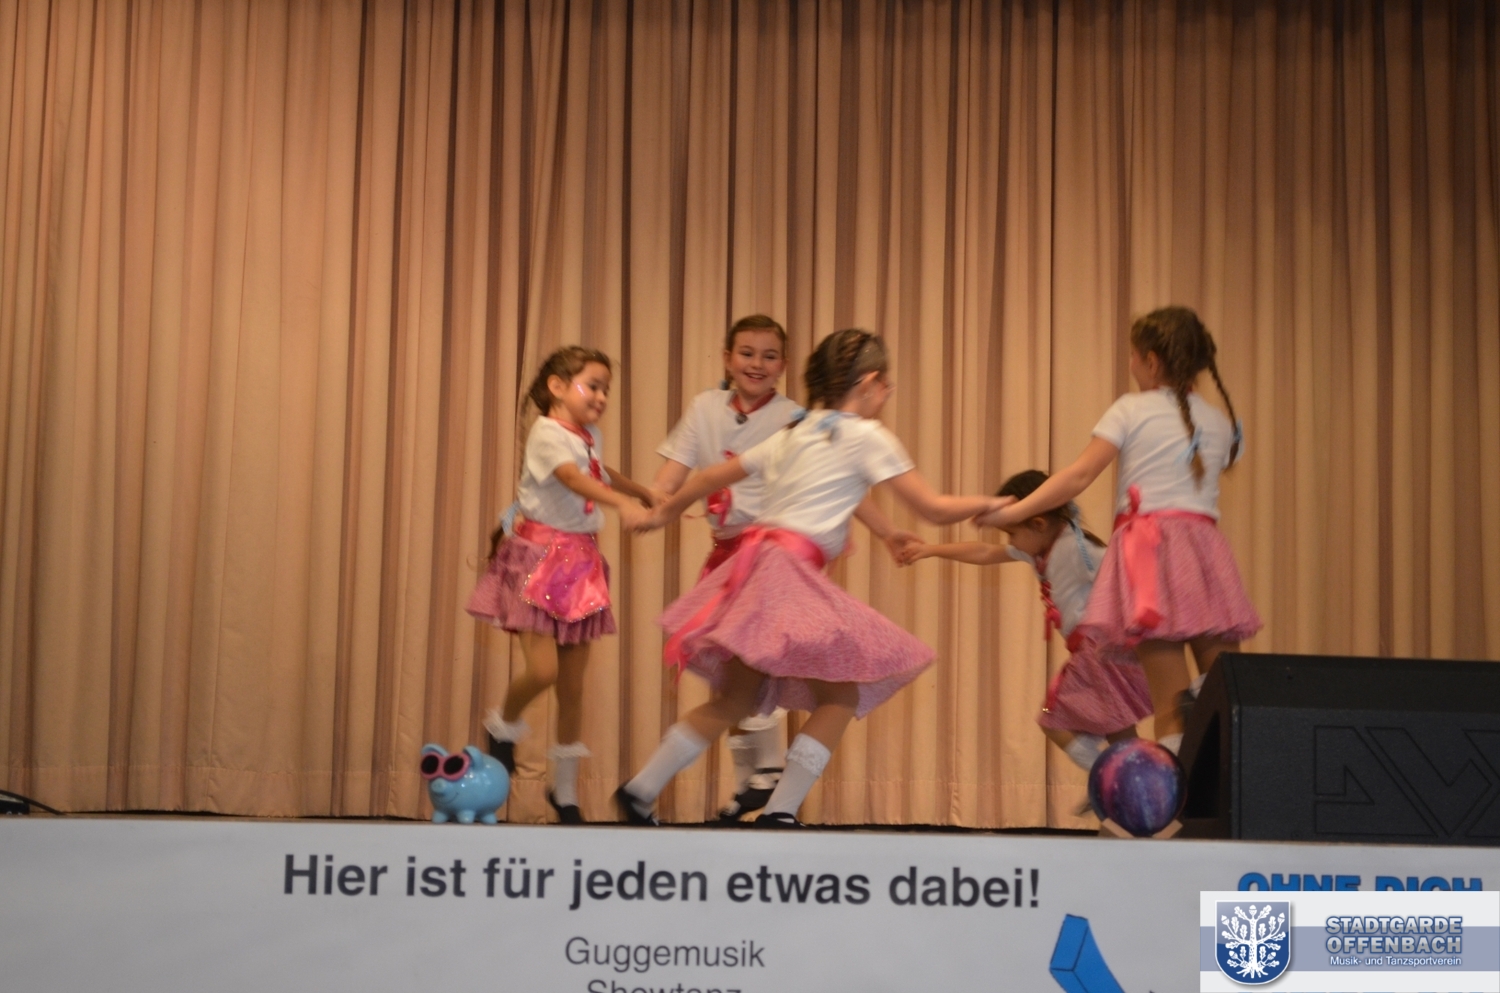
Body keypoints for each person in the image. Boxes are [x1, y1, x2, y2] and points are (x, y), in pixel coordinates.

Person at [616, 328, 1002, 827]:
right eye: (886, 387)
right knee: (840, 697)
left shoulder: (795, 433)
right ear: (869, 382)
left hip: (755, 569)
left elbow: (711, 477)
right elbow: (933, 507)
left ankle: (641, 788)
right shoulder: (866, 435)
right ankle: (780, 811)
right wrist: (993, 504)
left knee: (735, 698)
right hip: (790, 575)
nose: (886, 396)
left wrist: (665, 513)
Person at [652, 314, 913, 821]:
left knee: (755, 674)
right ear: (727, 358)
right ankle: (761, 784)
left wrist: (886, 532)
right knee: (740, 684)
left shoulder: (799, 419)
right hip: (739, 557)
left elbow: (846, 485)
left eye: (769, 356)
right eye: (746, 353)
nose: (757, 364)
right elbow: (683, 473)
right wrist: (659, 500)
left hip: (773, 555)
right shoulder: (706, 408)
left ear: (785, 366)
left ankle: (764, 777)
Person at [979, 306, 1260, 753]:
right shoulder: (1219, 421)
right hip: (1204, 554)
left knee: (1171, 702)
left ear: (1151, 360)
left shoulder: (1130, 409)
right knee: (1227, 688)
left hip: (1150, 553)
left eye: (1133, 355)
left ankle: (1176, 788)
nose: (1131, 364)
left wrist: (1013, 512)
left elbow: (1076, 477)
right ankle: (1232, 772)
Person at [467, 346, 655, 824]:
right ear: (556, 387)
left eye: (606, 389)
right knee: (544, 671)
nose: (601, 397)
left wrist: (640, 491)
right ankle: (503, 726)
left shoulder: (589, 435)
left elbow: (596, 470)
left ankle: (565, 792)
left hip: (580, 563)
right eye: (592, 386)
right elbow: (572, 478)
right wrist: (621, 504)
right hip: (539, 559)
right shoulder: (546, 432)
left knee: (572, 688)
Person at [900, 470, 1151, 771]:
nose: (1012, 543)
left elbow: (1125, 577)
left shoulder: (1075, 548)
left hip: (1099, 650)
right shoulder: (1040, 551)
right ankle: (1136, 779)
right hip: (1092, 651)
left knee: (1054, 721)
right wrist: (930, 550)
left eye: (1012, 534)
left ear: (1038, 524)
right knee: (1118, 729)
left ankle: (1112, 777)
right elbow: (984, 552)